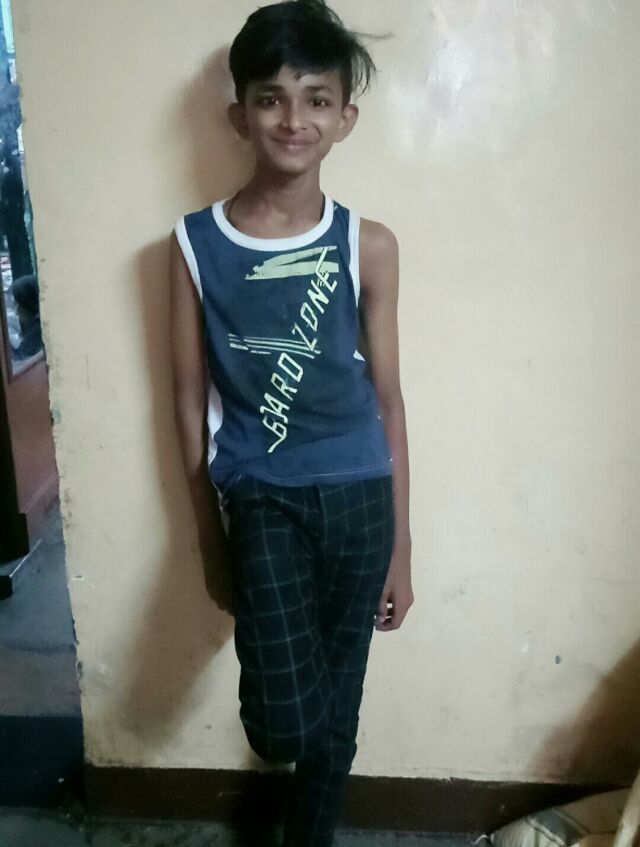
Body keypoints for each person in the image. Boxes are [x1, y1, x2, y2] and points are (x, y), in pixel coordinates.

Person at [169, 2, 413, 844]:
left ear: (345, 118)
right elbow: (186, 399)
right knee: (283, 723)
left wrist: (402, 544)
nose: (292, 118)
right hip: (263, 498)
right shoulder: (196, 244)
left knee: (340, 703)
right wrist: (209, 538)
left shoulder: (368, 244)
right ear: (239, 115)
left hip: (361, 497)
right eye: (270, 97)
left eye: (316, 98)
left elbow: (389, 399)